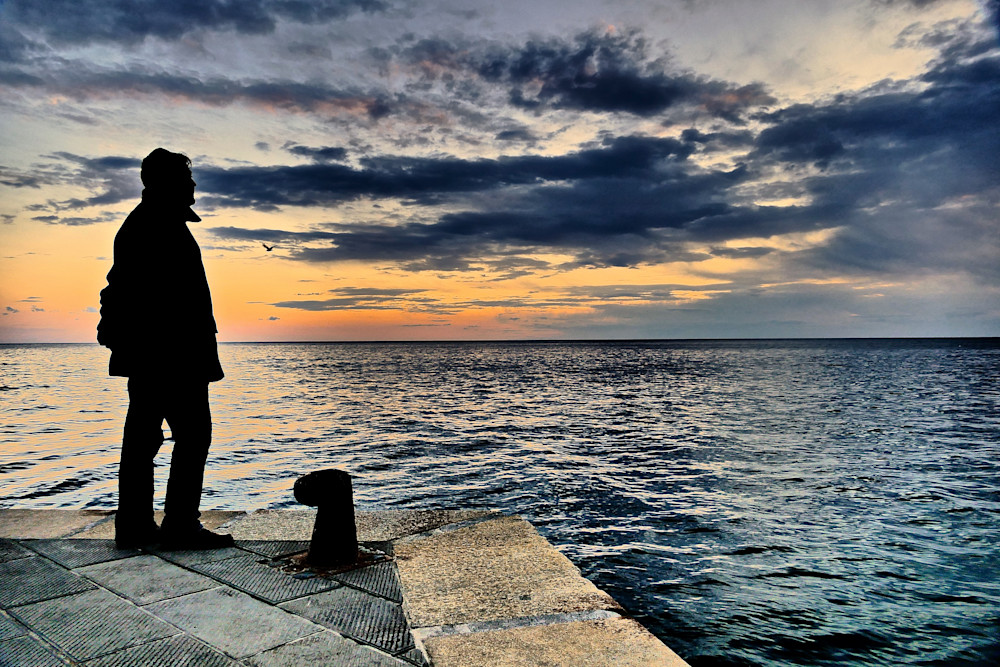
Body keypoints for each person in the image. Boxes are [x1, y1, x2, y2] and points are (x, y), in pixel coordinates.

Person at [97, 148, 233, 550]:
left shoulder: (156, 221)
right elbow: (129, 290)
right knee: (190, 435)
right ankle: (176, 525)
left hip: (161, 351)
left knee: (146, 438)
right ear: (166, 183)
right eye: (186, 179)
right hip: (170, 354)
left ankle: (137, 525)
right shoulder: (153, 224)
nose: (193, 185)